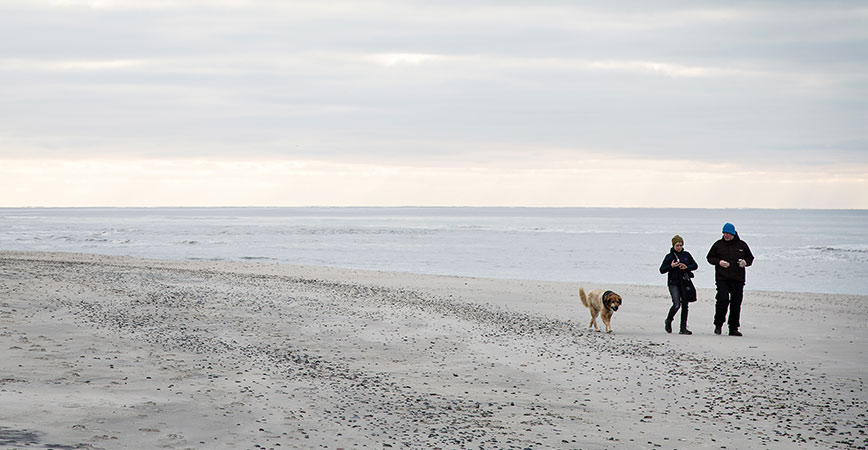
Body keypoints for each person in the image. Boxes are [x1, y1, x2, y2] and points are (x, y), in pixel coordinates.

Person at [706, 222, 754, 336]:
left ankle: (733, 328)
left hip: (738, 279)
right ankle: (718, 325)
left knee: (736, 303)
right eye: (724, 233)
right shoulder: (718, 244)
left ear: (733, 233)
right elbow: (710, 257)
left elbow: (750, 258)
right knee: (722, 300)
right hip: (722, 278)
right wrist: (719, 262)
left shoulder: (742, 245)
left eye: (728, 233)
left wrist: (745, 262)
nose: (725, 235)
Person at [659, 234, 698, 335]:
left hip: (685, 282)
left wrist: (686, 267)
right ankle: (669, 320)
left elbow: (695, 265)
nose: (679, 247)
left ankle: (683, 328)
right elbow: (662, 270)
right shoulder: (669, 256)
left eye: (681, 245)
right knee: (676, 304)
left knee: (685, 305)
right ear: (673, 246)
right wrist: (671, 266)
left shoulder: (686, 255)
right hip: (673, 283)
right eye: (677, 245)